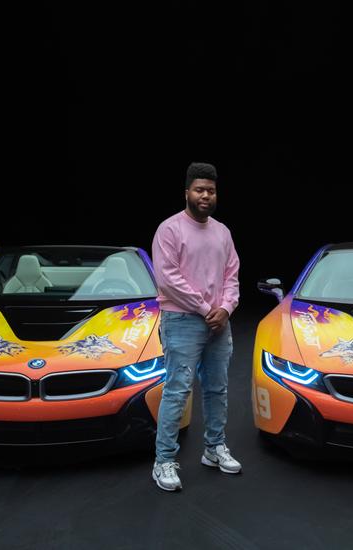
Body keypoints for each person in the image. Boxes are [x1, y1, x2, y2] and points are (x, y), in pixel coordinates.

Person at [150, 162, 242, 492]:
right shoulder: (170, 229)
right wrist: (208, 309)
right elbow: (168, 279)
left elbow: (232, 275)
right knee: (177, 390)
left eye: (211, 191)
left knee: (217, 389)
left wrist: (226, 308)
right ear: (186, 192)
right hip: (182, 321)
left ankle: (214, 449)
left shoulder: (222, 232)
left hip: (218, 322)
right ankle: (163, 461)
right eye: (199, 189)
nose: (205, 195)